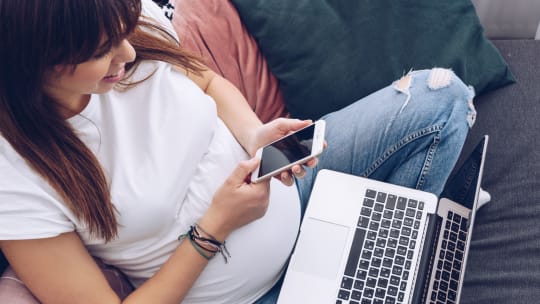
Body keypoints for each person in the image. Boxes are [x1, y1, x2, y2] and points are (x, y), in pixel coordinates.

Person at [0, 0, 476, 303]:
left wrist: (254, 135)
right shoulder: (15, 175)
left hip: (292, 188)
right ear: (35, 62)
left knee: (441, 98)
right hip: (245, 293)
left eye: (125, 33)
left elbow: (205, 79)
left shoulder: (120, 20)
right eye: (104, 50)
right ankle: (371, 263)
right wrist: (214, 229)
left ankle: (366, 251)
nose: (128, 55)